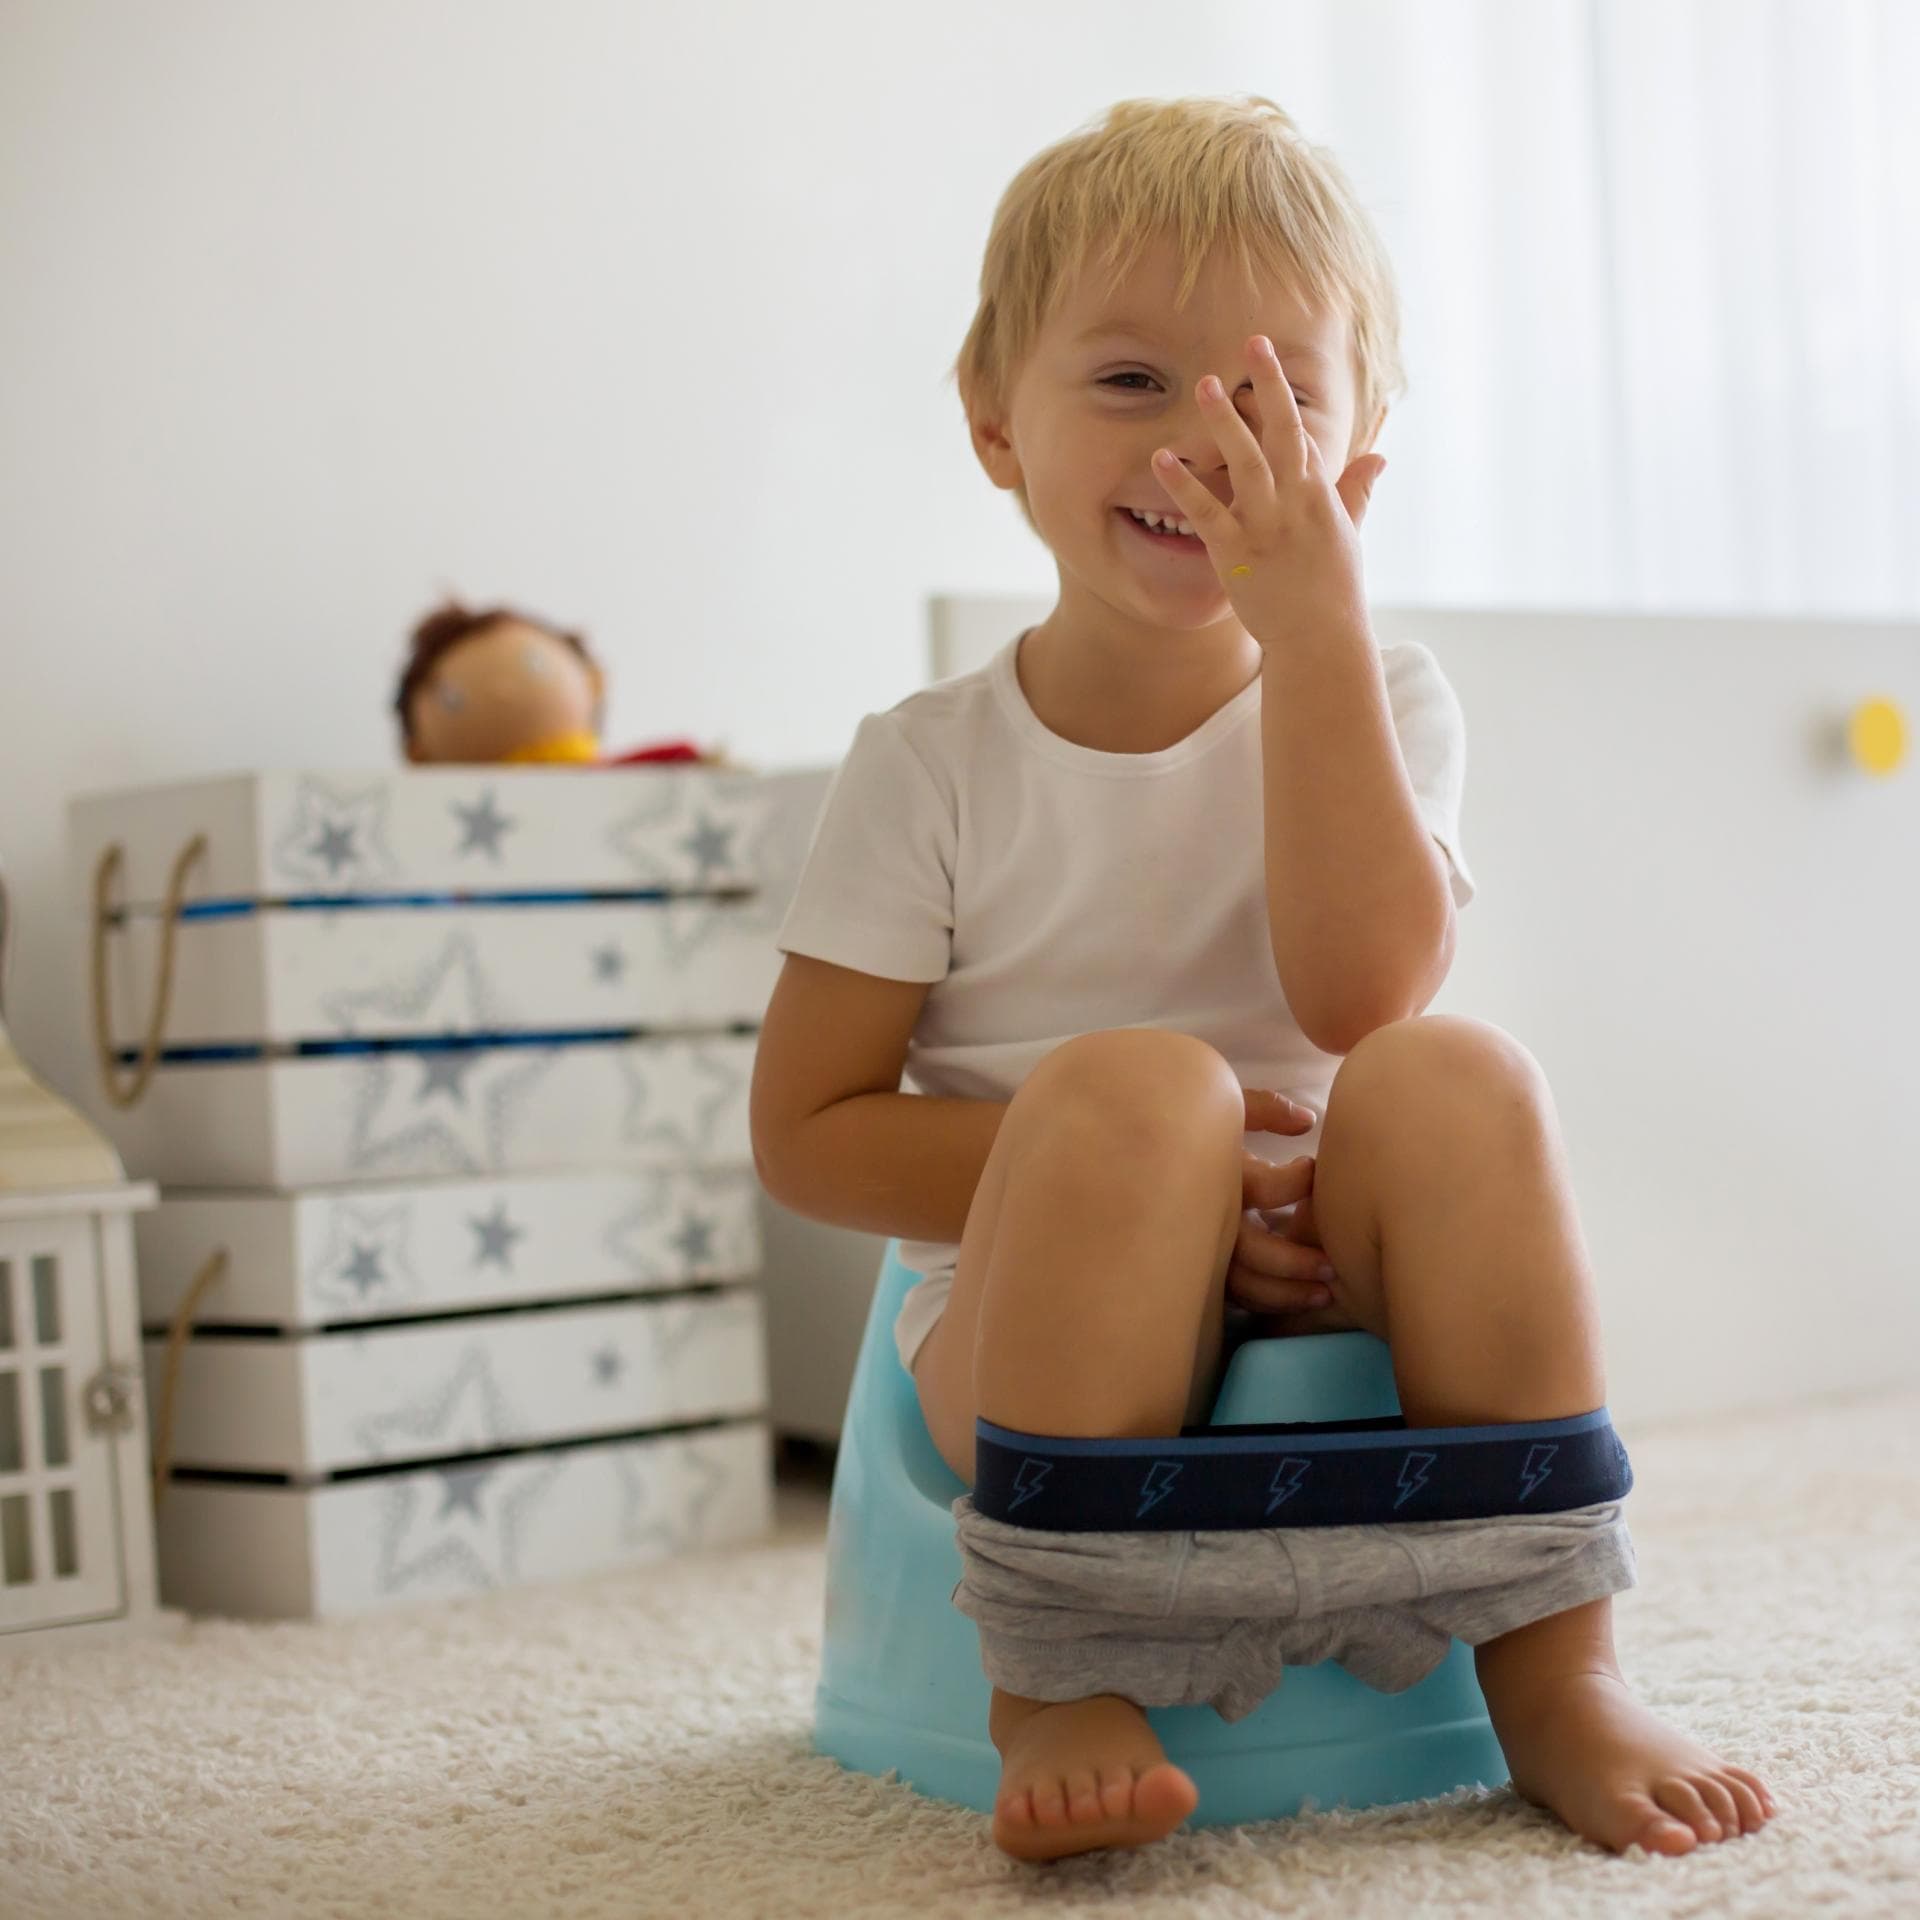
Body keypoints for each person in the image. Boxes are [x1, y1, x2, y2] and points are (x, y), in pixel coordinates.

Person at [749, 94, 1776, 1866]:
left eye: (1276, 398)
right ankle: (1055, 1670)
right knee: (1141, 1085)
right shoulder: (926, 763)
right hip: (1028, 1311)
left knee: (1463, 1076)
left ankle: (1554, 1662)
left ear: (1358, 467)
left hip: (1333, 1267)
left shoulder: (1388, 696)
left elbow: (1365, 990)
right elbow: (809, 1132)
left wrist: (1317, 645)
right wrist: (1151, 1171)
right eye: (1135, 382)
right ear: (999, 427)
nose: (1206, 444)